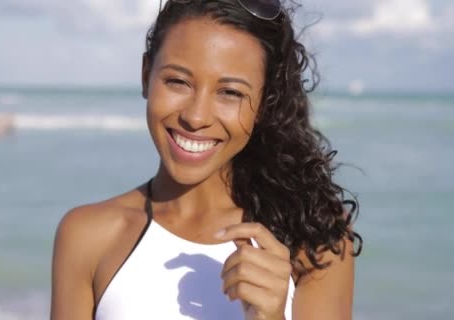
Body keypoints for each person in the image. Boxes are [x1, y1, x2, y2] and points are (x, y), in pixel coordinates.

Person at [51, 0, 362, 319]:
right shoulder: (86, 236)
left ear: (264, 104)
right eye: (178, 81)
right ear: (146, 75)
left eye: (230, 92)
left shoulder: (315, 237)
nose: (196, 117)